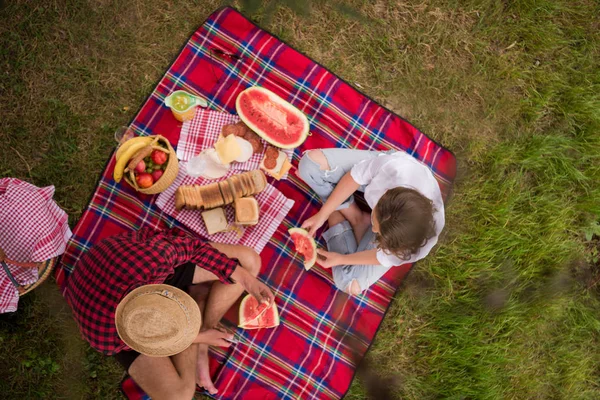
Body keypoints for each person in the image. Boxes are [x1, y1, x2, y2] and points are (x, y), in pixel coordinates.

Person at [64, 227, 274, 399]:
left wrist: (246, 279)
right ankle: (198, 311)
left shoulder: (154, 261)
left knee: (250, 262)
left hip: (139, 272)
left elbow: (190, 247)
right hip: (123, 320)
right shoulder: (107, 338)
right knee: (179, 396)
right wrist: (196, 337)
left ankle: (201, 325)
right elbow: (150, 340)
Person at [297, 148, 444, 295]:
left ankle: (350, 216)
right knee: (309, 166)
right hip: (376, 174)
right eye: (375, 223)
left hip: (392, 231)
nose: (374, 231)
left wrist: (342, 258)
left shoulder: (411, 248)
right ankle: (355, 216)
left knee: (349, 284)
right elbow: (354, 177)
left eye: (377, 232)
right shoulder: (394, 168)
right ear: (384, 193)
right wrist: (323, 214)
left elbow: (381, 257)